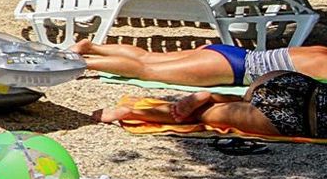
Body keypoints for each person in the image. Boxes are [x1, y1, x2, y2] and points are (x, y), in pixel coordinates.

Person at [95, 69, 325, 139]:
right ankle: (131, 113)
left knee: (245, 103)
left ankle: (215, 96)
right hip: (301, 120)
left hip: (297, 85)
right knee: (201, 115)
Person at [76, 38, 327, 88]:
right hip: (233, 69)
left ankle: (92, 47)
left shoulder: (320, 52)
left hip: (230, 53)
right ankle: (85, 62)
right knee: (147, 71)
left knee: (149, 57)